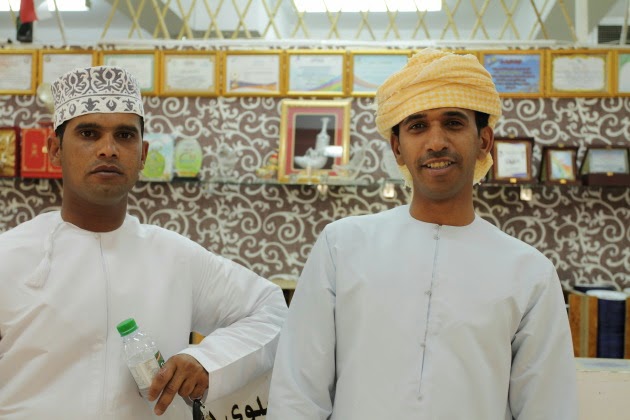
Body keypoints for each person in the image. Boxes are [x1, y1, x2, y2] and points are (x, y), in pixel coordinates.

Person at [266, 48, 577, 419]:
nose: (436, 142)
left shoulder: (530, 272)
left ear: (484, 141)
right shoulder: (342, 246)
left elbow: (547, 407)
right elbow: (298, 391)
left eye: (454, 123)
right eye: (417, 126)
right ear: (397, 147)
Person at [0, 66, 287, 419]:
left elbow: (272, 312)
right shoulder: (9, 257)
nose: (108, 149)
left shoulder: (175, 256)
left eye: (124, 135)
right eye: (89, 133)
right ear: (55, 150)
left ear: (143, 154)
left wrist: (206, 361)